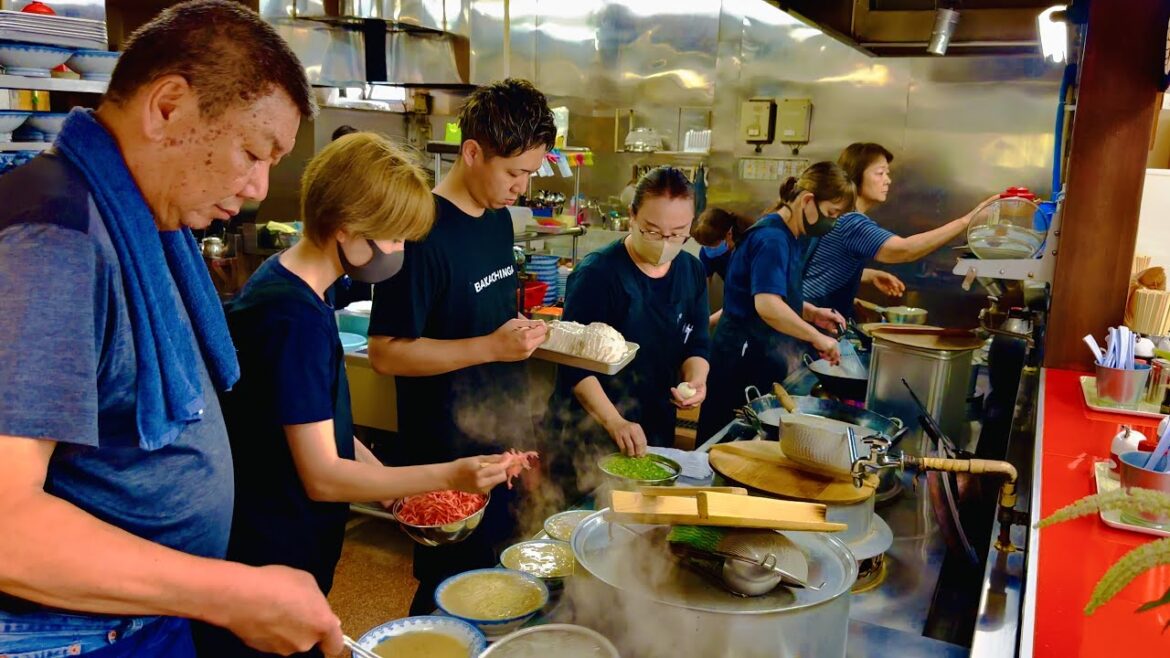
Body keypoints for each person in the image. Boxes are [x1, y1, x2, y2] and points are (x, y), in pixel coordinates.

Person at [0, 1, 344, 657]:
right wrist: (230, 594)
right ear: (167, 108)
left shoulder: (142, 222)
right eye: (253, 152)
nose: (258, 187)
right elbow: (5, 528)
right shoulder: (54, 238)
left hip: (145, 619)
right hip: (82, 639)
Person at [192, 134, 511, 657]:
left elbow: (320, 425)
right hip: (270, 553)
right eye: (395, 238)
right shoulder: (290, 319)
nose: (400, 253)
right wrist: (450, 475)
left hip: (294, 550)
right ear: (347, 228)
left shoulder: (299, 286)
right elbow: (322, 476)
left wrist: (390, 489)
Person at [366, 78, 554, 615]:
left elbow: (485, 320)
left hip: (502, 440)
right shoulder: (420, 230)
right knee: (448, 590)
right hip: (446, 456)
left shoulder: (497, 221)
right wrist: (491, 347)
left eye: (530, 173)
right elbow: (385, 352)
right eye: (514, 172)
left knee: (502, 580)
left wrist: (517, 337)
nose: (522, 187)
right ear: (472, 152)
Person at [546, 167, 710, 484]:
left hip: (655, 423)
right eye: (652, 231)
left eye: (677, 233)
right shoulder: (598, 274)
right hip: (589, 429)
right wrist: (614, 422)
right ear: (632, 216)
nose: (665, 243)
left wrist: (697, 379)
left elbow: (697, 343)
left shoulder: (691, 270)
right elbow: (574, 367)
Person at [696, 162, 854, 441]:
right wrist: (817, 337)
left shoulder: (792, 235)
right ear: (807, 200)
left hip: (758, 354)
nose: (831, 222)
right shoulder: (772, 238)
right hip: (741, 359)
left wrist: (811, 312)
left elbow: (774, 294)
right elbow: (767, 305)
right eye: (831, 213)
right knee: (725, 443)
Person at [802, 142, 996, 320]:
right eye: (880, 173)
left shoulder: (839, 216)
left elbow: (824, 265)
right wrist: (967, 221)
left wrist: (868, 275)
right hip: (810, 324)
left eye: (887, 173)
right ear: (856, 176)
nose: (888, 181)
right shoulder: (851, 221)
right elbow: (904, 250)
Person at [691, 207, 756, 330]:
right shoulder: (707, 253)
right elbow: (703, 286)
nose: (709, 250)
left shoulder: (749, 251)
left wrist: (706, 323)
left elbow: (740, 300)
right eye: (705, 246)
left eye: (712, 245)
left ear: (729, 234)